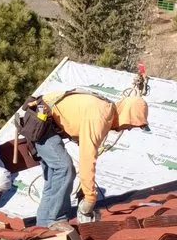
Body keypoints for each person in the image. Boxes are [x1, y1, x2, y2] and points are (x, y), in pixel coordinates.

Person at [34, 93, 149, 227]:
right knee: (64, 168)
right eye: (132, 124)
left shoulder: (106, 112)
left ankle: (42, 226)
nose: (129, 129)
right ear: (127, 115)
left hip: (44, 119)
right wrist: (90, 198)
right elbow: (87, 158)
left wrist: (86, 190)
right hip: (41, 119)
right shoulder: (101, 117)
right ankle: (55, 222)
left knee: (55, 177)